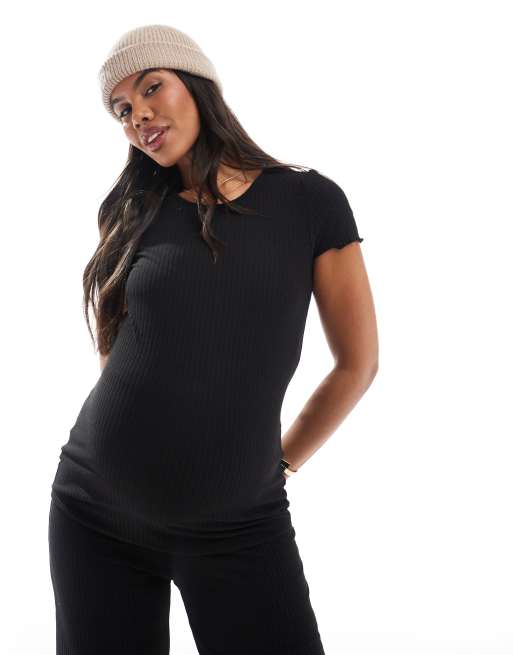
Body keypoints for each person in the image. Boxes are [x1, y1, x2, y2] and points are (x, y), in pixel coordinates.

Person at [48, 23, 378, 655]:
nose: (139, 116)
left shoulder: (309, 202)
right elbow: (117, 348)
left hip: (238, 524)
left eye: (152, 88)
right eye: (122, 110)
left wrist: (279, 464)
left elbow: (356, 364)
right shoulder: (132, 211)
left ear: (197, 84)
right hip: (96, 512)